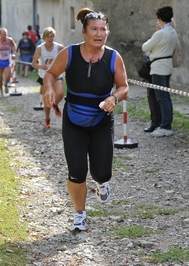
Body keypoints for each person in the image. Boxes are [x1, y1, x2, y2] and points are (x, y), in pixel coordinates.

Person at [42, 8, 129, 231]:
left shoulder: (113, 57)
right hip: (74, 119)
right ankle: (80, 214)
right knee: (77, 170)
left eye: (103, 30)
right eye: (94, 29)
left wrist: (114, 97)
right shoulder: (69, 53)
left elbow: (123, 86)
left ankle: (102, 182)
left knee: (102, 172)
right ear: (84, 32)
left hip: (101, 121)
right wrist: (49, 89)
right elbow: (51, 74)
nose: (99, 34)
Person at [142, 6, 178, 137]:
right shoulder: (172, 32)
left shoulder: (160, 33)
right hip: (167, 65)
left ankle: (165, 125)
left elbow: (145, 47)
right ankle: (165, 122)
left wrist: (155, 33)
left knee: (161, 98)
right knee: (165, 97)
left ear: (160, 19)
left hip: (158, 67)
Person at [31, 27, 65, 128]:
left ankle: (55, 105)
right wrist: (41, 66)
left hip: (56, 74)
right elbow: (33, 63)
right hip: (44, 75)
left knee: (60, 93)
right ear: (44, 38)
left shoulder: (59, 47)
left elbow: (67, 58)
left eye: (52, 36)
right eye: (48, 37)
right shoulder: (40, 48)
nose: (50, 39)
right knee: (47, 98)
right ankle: (47, 118)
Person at [0, 27, 17, 98]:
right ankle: (1, 92)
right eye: (3, 34)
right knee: (0, 78)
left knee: (8, 75)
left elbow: (14, 45)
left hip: (7, 60)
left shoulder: (9, 40)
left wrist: (13, 53)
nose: (4, 36)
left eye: (5, 34)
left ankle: (6, 84)